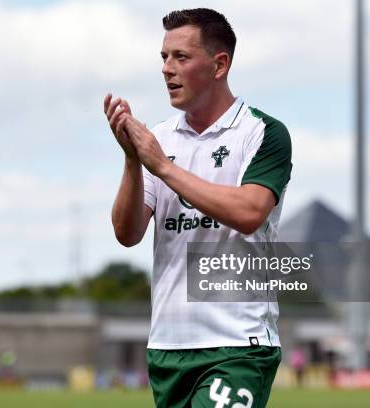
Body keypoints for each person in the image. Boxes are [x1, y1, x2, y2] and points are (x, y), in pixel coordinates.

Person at [104, 8, 292, 408]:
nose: (167, 69)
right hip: (168, 346)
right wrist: (132, 160)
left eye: (181, 57)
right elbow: (127, 232)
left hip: (238, 345)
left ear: (219, 64)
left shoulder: (262, 133)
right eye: (163, 57)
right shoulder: (158, 140)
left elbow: (249, 212)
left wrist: (161, 166)